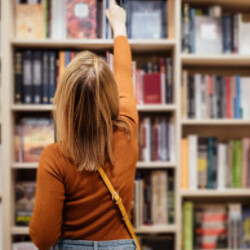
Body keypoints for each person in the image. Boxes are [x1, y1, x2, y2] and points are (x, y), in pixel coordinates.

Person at [29, 1, 138, 249]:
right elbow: (123, 72)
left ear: (65, 104)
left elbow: (43, 238)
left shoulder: (55, 158)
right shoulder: (128, 127)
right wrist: (119, 26)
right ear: (110, 96)